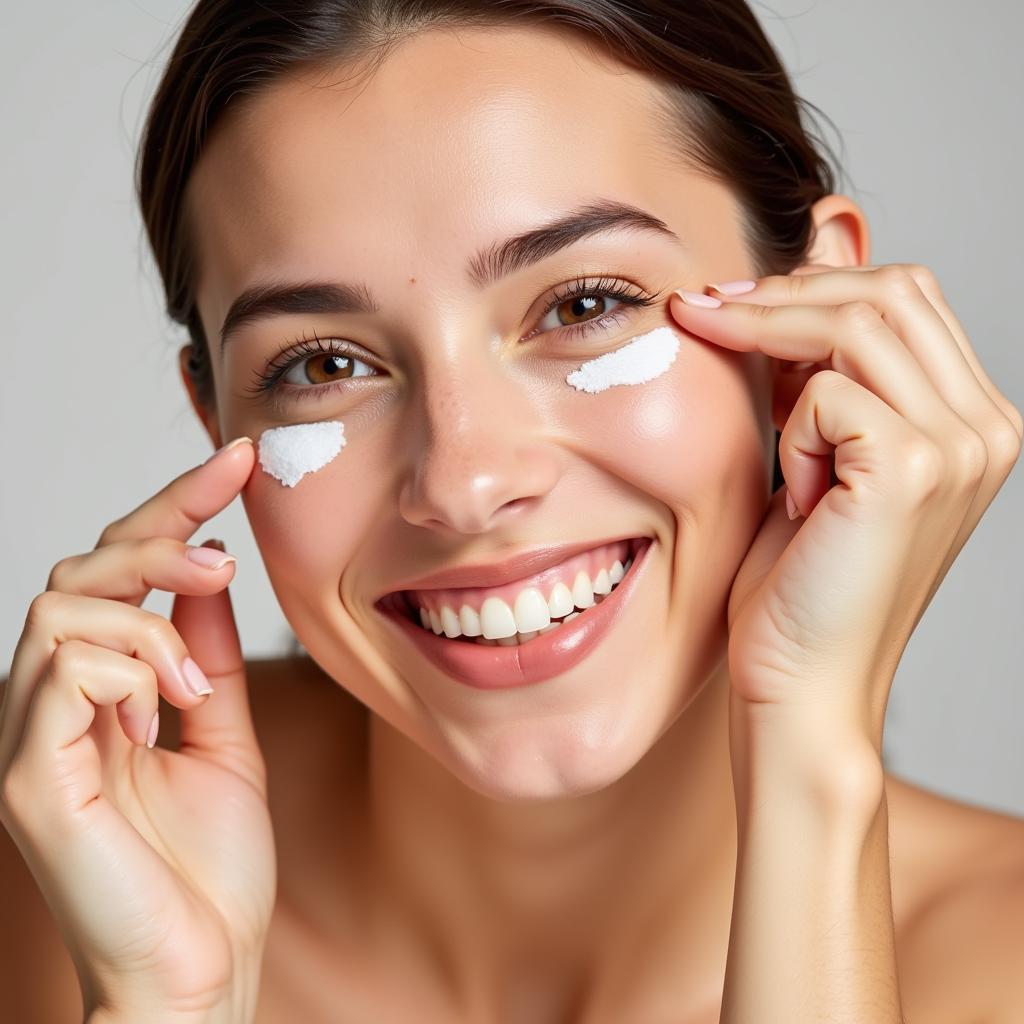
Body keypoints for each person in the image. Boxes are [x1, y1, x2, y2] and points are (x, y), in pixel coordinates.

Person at [2, 2, 1022, 1021]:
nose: (465, 481)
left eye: (584, 305)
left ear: (815, 311)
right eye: (324, 365)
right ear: (214, 412)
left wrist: (808, 761)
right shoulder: (71, 849)